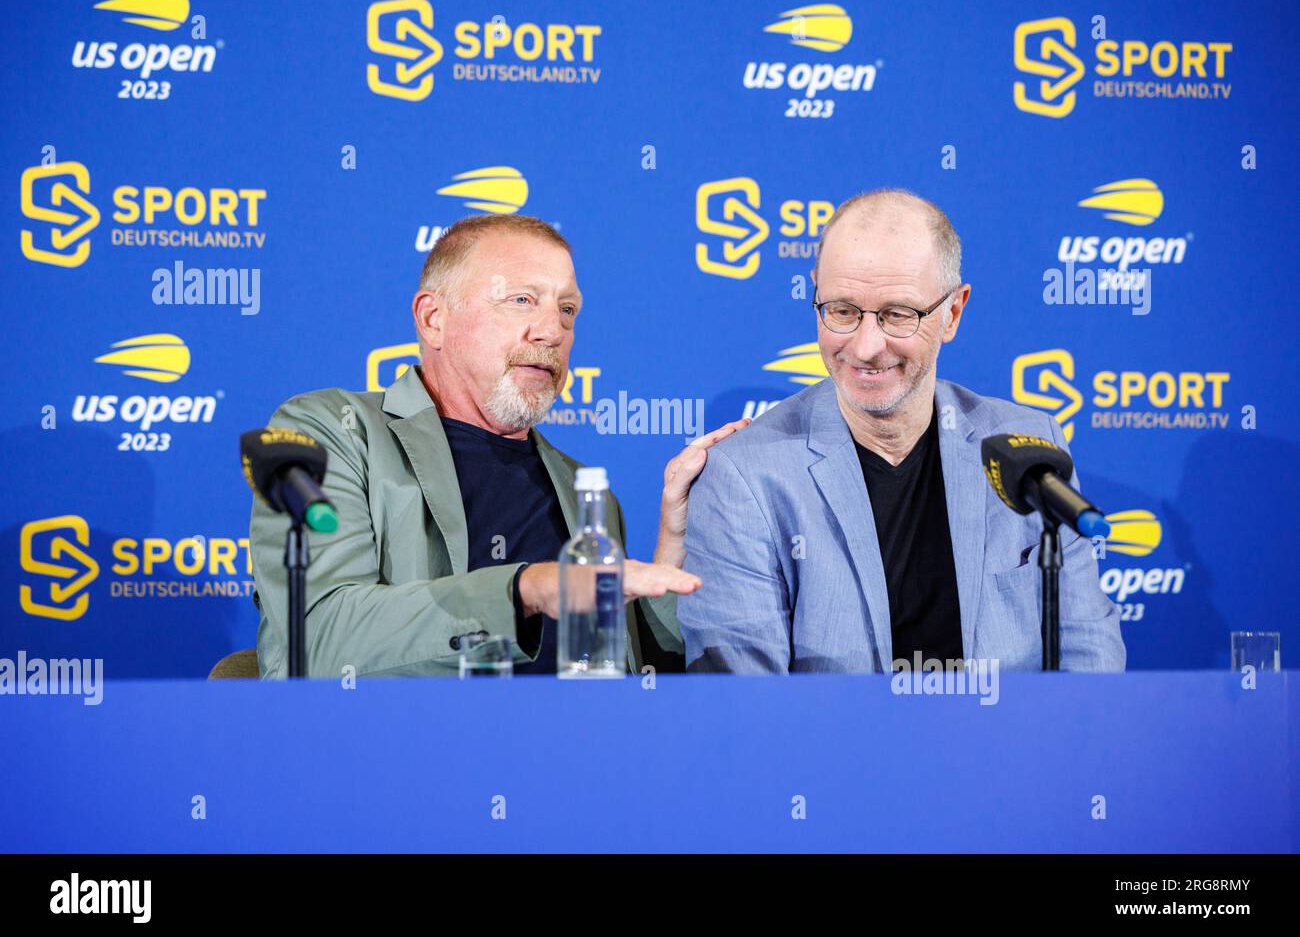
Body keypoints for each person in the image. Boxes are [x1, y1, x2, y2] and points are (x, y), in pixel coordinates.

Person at [249, 214, 745, 677]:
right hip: (401, 755)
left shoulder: (584, 492)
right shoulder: (332, 432)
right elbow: (315, 637)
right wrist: (527, 589)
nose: (552, 331)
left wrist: (673, 549)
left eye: (567, 309)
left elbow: (640, 670)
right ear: (433, 319)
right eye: (521, 300)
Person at [678, 189, 1125, 673]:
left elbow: (1089, 658)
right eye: (843, 310)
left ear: (953, 313)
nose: (866, 346)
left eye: (898, 314)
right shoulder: (746, 477)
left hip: (1010, 746)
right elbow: (745, 705)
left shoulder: (1028, 451)